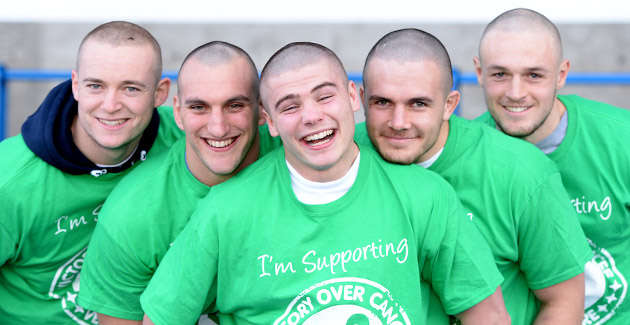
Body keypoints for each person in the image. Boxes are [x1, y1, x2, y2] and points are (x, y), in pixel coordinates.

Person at [139, 42, 510, 325]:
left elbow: (488, 315)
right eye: (289, 106)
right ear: (268, 120)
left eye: (324, 96)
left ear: (352, 96)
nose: (311, 116)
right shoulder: (224, 211)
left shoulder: (424, 195)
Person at [355, 28, 591, 324]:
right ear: (362, 100)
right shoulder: (344, 159)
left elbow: (564, 301)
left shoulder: (521, 172)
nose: (399, 122)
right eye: (383, 103)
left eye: (418, 104)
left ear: (449, 105)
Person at [77, 41, 281, 325]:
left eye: (234, 105)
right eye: (199, 107)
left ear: (261, 110)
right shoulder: (132, 214)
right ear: (178, 111)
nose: (218, 126)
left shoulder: (297, 159)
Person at [0, 21, 182, 324]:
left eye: (131, 88)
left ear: (160, 92)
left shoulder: (185, 143)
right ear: (75, 85)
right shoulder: (10, 180)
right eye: (96, 85)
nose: (110, 105)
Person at [474, 8, 630, 324]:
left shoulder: (620, 139)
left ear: (561, 74)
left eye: (534, 75)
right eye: (500, 74)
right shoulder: (466, 156)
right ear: (479, 73)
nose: (516, 93)